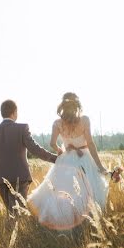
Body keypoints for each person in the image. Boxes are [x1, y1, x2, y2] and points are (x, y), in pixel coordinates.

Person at [27, 92, 109, 230]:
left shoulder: (57, 123)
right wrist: (99, 166)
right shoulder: (85, 120)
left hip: (66, 160)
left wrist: (61, 150)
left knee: (63, 190)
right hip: (84, 158)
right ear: (77, 105)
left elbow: (52, 143)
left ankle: (67, 218)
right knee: (89, 189)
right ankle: (87, 221)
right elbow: (90, 143)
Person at [0, 99, 58, 219]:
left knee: (12, 213)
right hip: (20, 177)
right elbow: (35, 149)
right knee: (18, 213)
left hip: (0, 180)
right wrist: (56, 159)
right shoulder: (22, 129)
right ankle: (18, 236)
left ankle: (12, 234)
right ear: (14, 112)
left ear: (2, 113)